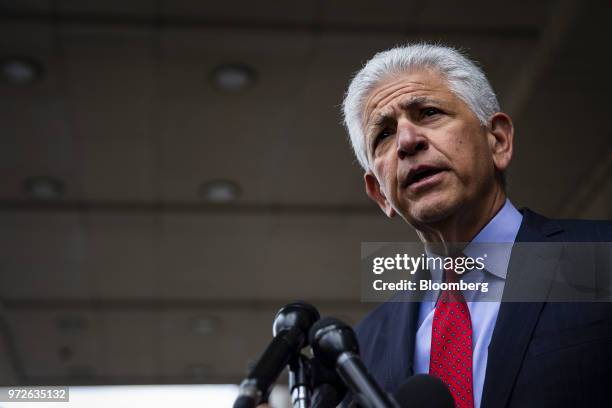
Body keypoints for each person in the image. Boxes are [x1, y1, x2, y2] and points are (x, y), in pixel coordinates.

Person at [341, 43, 612, 408]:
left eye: (429, 112)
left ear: (498, 140)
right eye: (384, 135)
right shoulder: (363, 348)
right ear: (380, 195)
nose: (407, 141)